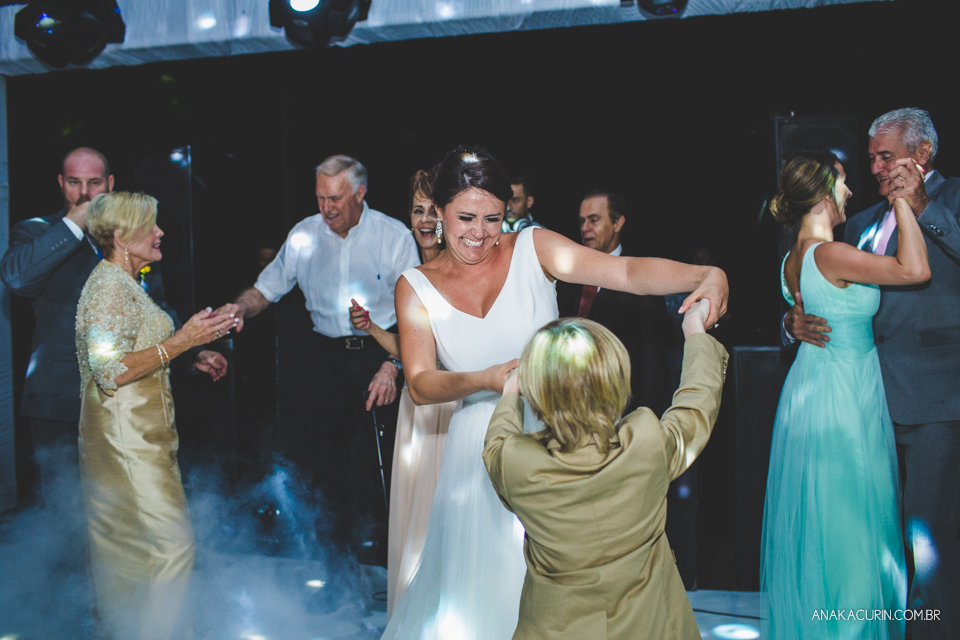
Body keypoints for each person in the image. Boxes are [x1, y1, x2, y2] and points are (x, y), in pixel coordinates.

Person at [381, 146, 728, 639]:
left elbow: (626, 274)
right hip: (478, 454)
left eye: (493, 218)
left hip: (556, 436)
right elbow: (419, 383)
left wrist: (702, 276)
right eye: (465, 218)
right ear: (437, 212)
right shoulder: (414, 286)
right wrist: (486, 379)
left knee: (561, 594)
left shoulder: (533, 247)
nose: (479, 233)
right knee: (480, 597)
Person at [783, 110, 960, 640]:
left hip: (934, 400)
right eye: (872, 159)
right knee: (874, 538)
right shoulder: (856, 226)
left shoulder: (951, 200)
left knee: (927, 543)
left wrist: (921, 205)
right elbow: (825, 293)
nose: (876, 168)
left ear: (921, 155)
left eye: (886, 157)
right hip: (862, 402)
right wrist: (792, 321)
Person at [762, 151, 931, 639]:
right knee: (853, 524)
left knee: (825, 524)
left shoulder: (791, 259)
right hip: (842, 394)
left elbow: (808, 312)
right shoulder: (828, 252)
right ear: (820, 191)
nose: (851, 192)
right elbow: (915, 270)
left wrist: (790, 324)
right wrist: (901, 199)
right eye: (841, 183)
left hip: (813, 389)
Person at [482, 304, 724, 639]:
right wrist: (694, 329)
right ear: (615, 381)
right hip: (651, 627)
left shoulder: (517, 465)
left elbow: (496, 443)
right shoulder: (647, 444)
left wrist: (511, 392)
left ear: (538, 394)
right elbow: (698, 403)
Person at [220, 155, 420, 556]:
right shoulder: (303, 235)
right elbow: (265, 290)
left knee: (382, 468)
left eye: (336, 199)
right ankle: (335, 567)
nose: (326, 208)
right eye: (320, 198)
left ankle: (387, 561)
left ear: (360, 194)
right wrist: (239, 308)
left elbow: (415, 314)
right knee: (324, 469)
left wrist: (393, 365)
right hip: (325, 360)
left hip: (380, 356)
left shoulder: (394, 236)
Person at [76, 192, 237, 639]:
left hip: (143, 432)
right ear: (123, 237)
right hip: (125, 436)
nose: (161, 232)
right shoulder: (108, 286)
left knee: (139, 549)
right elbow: (109, 370)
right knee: (171, 545)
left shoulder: (129, 281)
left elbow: (136, 351)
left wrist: (188, 355)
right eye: (151, 225)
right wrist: (182, 341)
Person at [349, 169, 457, 615]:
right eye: (418, 210)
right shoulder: (410, 277)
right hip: (419, 408)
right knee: (417, 520)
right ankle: (416, 615)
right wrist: (371, 327)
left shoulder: (461, 272)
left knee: (450, 512)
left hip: (457, 403)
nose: (426, 220)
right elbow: (415, 354)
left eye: (435, 210)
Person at [556, 190, 670, 415]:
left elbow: (653, 359)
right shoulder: (566, 276)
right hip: (567, 403)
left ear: (618, 223)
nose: (585, 228)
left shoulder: (642, 279)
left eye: (594, 220)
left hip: (620, 407)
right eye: (581, 221)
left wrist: (646, 417)